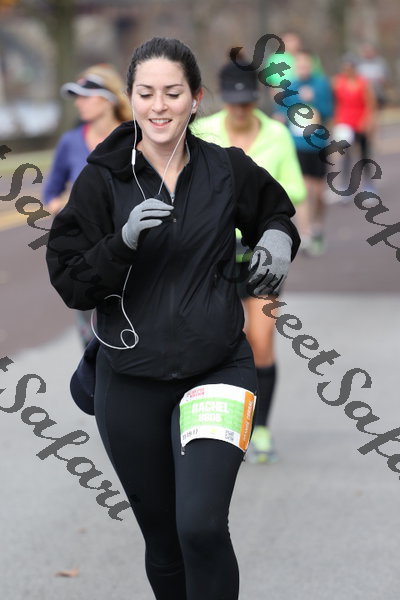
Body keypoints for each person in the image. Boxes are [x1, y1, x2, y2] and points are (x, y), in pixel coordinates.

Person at [46, 37, 300, 600]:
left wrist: (278, 240)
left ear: (196, 99)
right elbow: (70, 281)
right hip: (129, 378)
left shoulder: (226, 169)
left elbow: (276, 213)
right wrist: (121, 243)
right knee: (163, 541)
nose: (159, 106)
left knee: (200, 527)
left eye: (172, 93)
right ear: (131, 98)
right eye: (146, 93)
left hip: (218, 368)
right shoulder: (102, 180)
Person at [191, 60, 306, 463]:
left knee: (260, 341)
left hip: (261, 255)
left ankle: (260, 428)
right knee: (216, 340)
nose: (240, 109)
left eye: (246, 101)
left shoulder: (276, 134)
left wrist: (261, 208)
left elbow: (293, 189)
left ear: (255, 98)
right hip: (215, 256)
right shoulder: (204, 132)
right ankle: (216, 424)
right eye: (233, 101)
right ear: (223, 99)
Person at [43, 64, 132, 346]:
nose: (78, 103)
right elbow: (51, 192)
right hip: (87, 252)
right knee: (93, 339)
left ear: (107, 99)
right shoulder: (70, 142)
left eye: (85, 96)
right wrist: (65, 206)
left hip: (132, 246)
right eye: (76, 97)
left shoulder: (134, 136)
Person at [275, 49, 334, 255]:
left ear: (311, 65)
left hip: (317, 144)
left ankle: (317, 225)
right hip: (296, 144)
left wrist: (314, 101)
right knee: (303, 189)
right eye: (299, 65)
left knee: (318, 192)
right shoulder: (289, 86)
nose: (302, 68)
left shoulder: (321, 84)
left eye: (305, 65)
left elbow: (328, 111)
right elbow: (281, 112)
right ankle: (305, 233)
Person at [332, 52, 377, 196]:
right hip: (345, 123)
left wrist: (368, 121)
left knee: (364, 153)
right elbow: (335, 102)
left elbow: (371, 104)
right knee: (345, 155)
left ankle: (368, 184)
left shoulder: (363, 83)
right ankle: (345, 184)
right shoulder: (338, 82)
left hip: (360, 122)